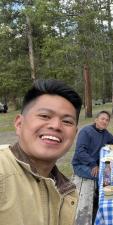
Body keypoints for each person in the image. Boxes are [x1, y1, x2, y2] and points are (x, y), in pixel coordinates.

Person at [0, 79, 82, 225]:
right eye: (44, 116)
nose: (56, 126)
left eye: (67, 121)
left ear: (74, 134)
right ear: (19, 124)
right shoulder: (3, 170)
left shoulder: (67, 191)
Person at [72, 110, 113, 180]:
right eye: (102, 119)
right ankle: (101, 190)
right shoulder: (86, 131)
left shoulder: (105, 133)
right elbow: (80, 151)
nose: (104, 121)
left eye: (107, 120)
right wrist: (93, 164)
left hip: (96, 162)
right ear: (96, 120)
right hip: (81, 165)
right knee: (106, 176)